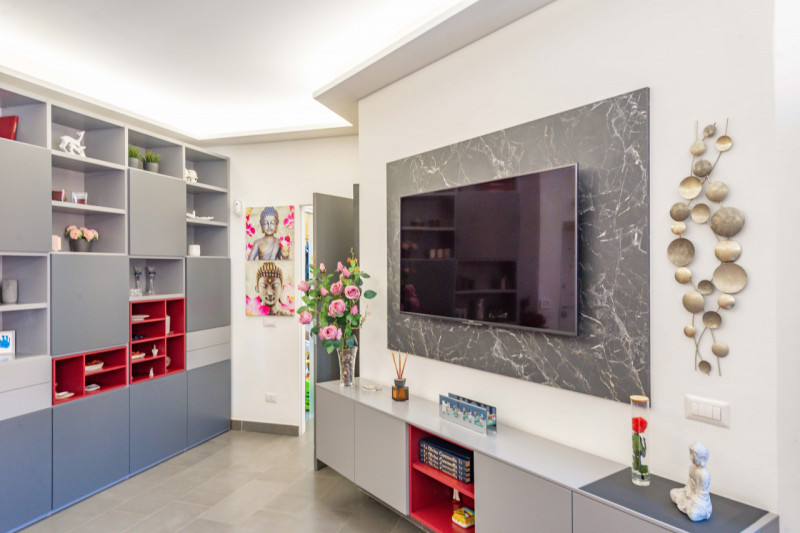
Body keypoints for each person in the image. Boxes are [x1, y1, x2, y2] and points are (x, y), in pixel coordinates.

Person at [670, 441, 712, 522]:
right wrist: (687, 492)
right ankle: (686, 505)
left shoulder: (704, 475)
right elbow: (689, 484)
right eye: (690, 454)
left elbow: (703, 495)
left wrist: (691, 499)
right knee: (673, 492)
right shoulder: (692, 467)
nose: (690, 457)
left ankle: (691, 509)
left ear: (702, 457)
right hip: (689, 495)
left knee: (693, 513)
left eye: (693, 455)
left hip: (699, 501)